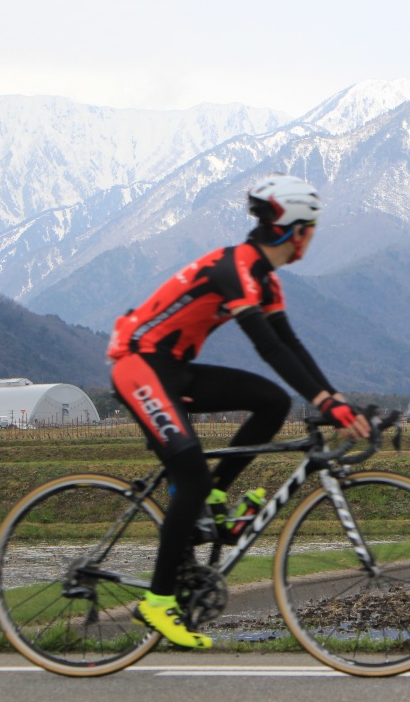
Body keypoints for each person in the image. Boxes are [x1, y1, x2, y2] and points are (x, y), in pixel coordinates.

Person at [107, 173, 370, 649]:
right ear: (294, 228)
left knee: (272, 401)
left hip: (174, 369)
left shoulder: (265, 282)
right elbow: (268, 346)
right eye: (310, 227)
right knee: (188, 473)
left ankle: (213, 498)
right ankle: (158, 601)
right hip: (139, 366)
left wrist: (334, 398)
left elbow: (290, 343)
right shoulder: (235, 269)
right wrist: (326, 402)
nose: (312, 236)